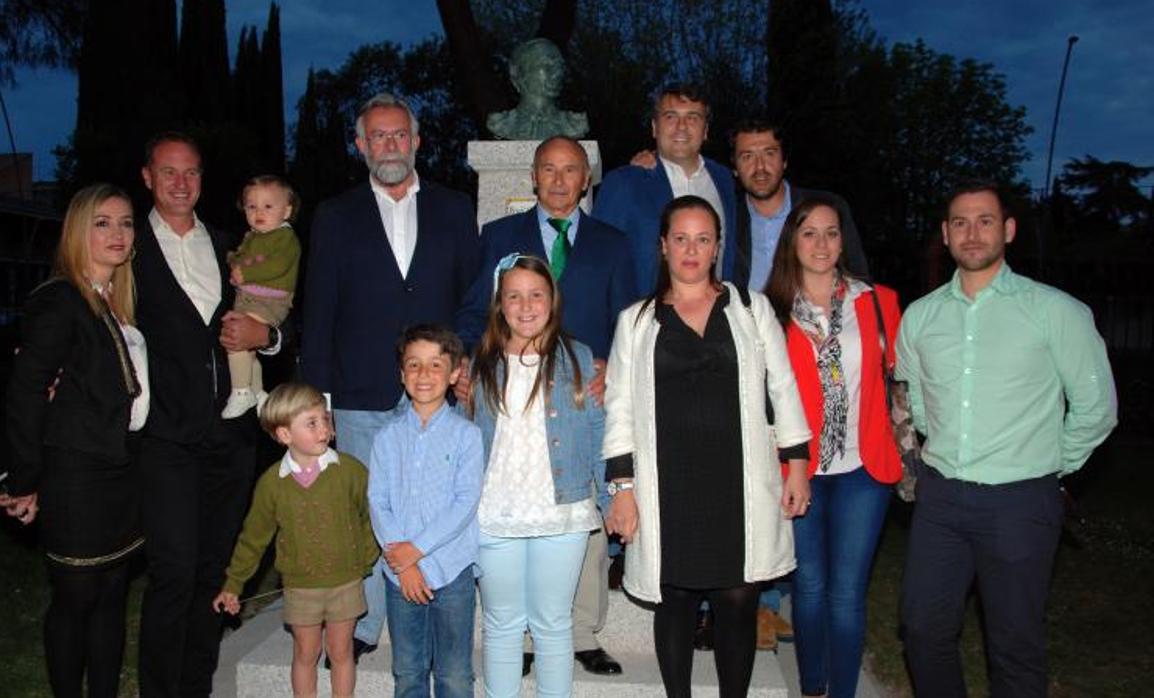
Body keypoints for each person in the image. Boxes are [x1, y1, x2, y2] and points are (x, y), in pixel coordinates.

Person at [896, 181, 1117, 698]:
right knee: (923, 630)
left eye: (985, 220)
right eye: (960, 222)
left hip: (1022, 501)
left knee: (1014, 645)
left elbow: (1096, 408)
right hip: (943, 499)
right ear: (946, 236)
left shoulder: (1056, 311)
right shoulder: (921, 316)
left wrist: (1046, 466)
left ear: (1009, 230)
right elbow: (916, 401)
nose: (972, 233)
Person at [601, 195, 812, 698]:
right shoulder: (635, 321)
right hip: (667, 485)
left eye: (702, 238)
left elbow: (782, 387)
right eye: (680, 238)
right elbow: (620, 409)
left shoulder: (750, 307)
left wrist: (797, 465)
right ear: (662, 247)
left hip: (737, 483)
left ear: (717, 247)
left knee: (737, 599)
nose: (691, 250)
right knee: (672, 598)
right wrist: (622, 489)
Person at [301, 92, 480, 658]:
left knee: (433, 502)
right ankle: (362, 625)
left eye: (399, 134)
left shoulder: (455, 208)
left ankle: (432, 604)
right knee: (367, 510)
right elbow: (319, 308)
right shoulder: (334, 215)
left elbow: (474, 298)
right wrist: (320, 399)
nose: (390, 145)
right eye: (378, 136)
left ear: (418, 140)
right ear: (360, 146)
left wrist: (464, 359)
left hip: (435, 390)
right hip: (359, 393)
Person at [456, 135, 633, 676]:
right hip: (510, 390)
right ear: (534, 177)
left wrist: (614, 368)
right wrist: (465, 364)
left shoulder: (613, 242)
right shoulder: (497, 236)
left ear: (586, 180)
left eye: (571, 170)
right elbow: (470, 313)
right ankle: (523, 643)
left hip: (584, 395)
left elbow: (629, 319)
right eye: (549, 170)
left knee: (581, 523)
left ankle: (580, 633)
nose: (559, 180)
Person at [134, 132, 280, 697]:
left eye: (190, 172)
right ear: (147, 177)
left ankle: (196, 685)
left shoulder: (231, 247)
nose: (179, 183)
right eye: (167, 172)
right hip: (164, 438)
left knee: (214, 572)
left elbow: (275, 311)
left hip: (230, 438)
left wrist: (268, 335)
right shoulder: (128, 248)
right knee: (172, 573)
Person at [3, 183, 149, 698]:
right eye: (102, 222)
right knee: (75, 602)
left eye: (126, 222)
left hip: (122, 472)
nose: (117, 233)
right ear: (76, 231)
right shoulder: (60, 299)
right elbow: (24, 391)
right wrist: (22, 480)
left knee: (111, 597)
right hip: (77, 478)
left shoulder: (120, 300)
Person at [764, 195, 902, 697]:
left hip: (865, 467)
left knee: (847, 591)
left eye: (831, 232)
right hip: (798, 470)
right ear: (792, 242)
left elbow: (906, 377)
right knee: (809, 586)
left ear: (844, 241)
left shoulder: (879, 301)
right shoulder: (770, 312)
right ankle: (812, 685)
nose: (821, 244)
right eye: (809, 233)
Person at [468, 254, 606, 697]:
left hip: (560, 510)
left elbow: (597, 430)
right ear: (499, 304)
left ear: (553, 300)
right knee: (502, 623)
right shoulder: (479, 365)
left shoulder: (579, 358)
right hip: (495, 512)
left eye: (536, 295)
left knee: (552, 623)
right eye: (514, 296)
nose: (525, 306)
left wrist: (612, 495)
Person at [212, 383, 378, 698]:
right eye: (311, 423)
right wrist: (234, 584)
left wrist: (364, 558)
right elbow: (254, 538)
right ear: (285, 435)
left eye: (325, 419)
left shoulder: (350, 471)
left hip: (345, 582)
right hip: (300, 586)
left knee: (341, 651)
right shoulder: (273, 484)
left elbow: (370, 515)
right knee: (306, 651)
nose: (324, 429)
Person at [368, 324, 483, 698]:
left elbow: (465, 502)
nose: (424, 374)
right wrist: (405, 564)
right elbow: (378, 501)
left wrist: (415, 552)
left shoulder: (467, 435)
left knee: (453, 674)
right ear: (402, 374)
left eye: (436, 365)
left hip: (451, 571)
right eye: (414, 365)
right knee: (408, 671)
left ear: (454, 374)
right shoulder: (386, 438)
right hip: (401, 576)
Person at [594, 84, 738, 297]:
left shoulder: (724, 179)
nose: (682, 126)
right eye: (671, 117)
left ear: (705, 130)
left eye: (693, 117)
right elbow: (600, 259)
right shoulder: (624, 183)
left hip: (716, 317)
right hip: (647, 321)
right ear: (654, 127)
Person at [728, 118, 869, 289]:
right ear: (735, 168)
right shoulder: (726, 217)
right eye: (747, 156)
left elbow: (858, 278)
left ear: (784, 161)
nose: (760, 167)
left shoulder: (827, 208)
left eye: (769, 153)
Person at [221, 175, 302, 419]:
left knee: (236, 338)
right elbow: (240, 255)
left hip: (270, 300)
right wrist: (233, 262)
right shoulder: (253, 236)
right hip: (248, 297)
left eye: (268, 206)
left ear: (286, 210)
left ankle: (241, 391)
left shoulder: (285, 238)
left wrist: (244, 273)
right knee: (247, 350)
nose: (259, 212)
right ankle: (257, 392)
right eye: (251, 206)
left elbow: (277, 266)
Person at [486, 37, 588, 140]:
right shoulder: (500, 124)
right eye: (546, 65)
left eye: (560, 66)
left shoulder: (574, 125)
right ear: (519, 75)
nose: (558, 73)